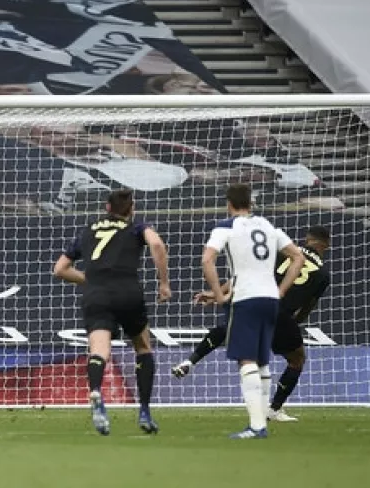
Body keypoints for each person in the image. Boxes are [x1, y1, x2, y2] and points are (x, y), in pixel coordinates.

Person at [173, 226, 332, 422]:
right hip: (281, 314)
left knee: (231, 326)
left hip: (257, 300)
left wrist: (217, 294)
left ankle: (190, 361)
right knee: (296, 360)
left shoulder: (283, 253)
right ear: (326, 245)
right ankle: (274, 409)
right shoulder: (323, 274)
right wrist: (291, 324)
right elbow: (307, 307)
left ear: (307, 239)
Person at [52, 189, 171, 436]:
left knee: (99, 351)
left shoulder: (88, 230)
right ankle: (145, 412)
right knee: (142, 347)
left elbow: (60, 269)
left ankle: (96, 390)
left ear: (107, 208)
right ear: (131, 208)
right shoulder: (137, 227)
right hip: (128, 292)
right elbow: (157, 244)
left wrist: (90, 280)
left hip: (96, 295)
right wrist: (164, 282)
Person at [201, 183, 304, 439]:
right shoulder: (268, 227)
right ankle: (262, 420)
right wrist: (281, 290)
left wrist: (218, 294)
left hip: (246, 299)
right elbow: (298, 257)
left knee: (245, 360)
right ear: (251, 203)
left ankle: (257, 426)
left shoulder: (226, 227)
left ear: (229, 204)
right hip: (271, 299)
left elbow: (207, 259)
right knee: (261, 360)